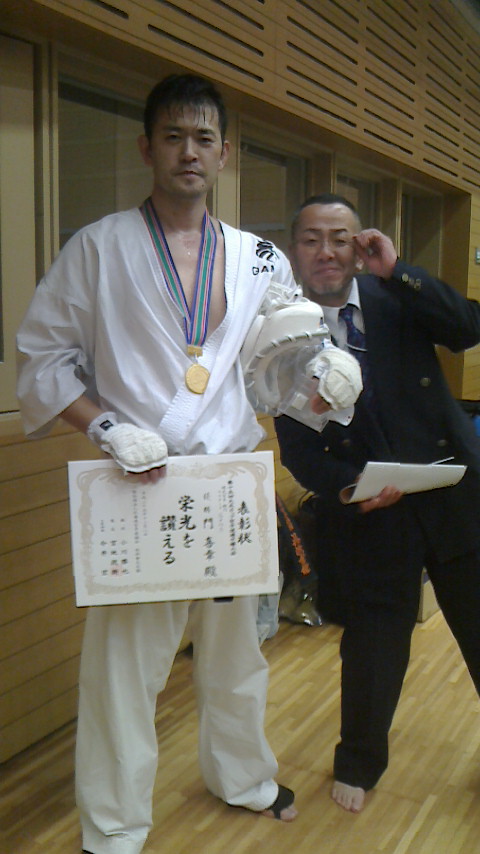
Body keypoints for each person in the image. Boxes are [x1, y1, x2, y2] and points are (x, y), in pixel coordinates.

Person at [15, 79, 361, 854]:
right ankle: (113, 826)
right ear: (147, 147)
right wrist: (106, 425)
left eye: (204, 138)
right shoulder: (97, 248)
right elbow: (42, 359)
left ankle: (243, 777)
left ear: (225, 153)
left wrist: (328, 373)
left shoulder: (258, 257)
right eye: (173, 136)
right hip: (140, 480)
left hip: (228, 482)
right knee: (124, 670)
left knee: (238, 654)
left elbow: (281, 366)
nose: (189, 152)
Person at [275, 193, 480, 814]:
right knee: (373, 645)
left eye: (340, 237)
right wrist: (347, 490)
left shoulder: (395, 295)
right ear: (294, 252)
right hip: (373, 508)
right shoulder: (283, 338)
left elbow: (468, 328)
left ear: (360, 244)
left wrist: (398, 270)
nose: (327, 251)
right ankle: (360, 762)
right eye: (312, 239)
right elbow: (297, 448)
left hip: (450, 489)